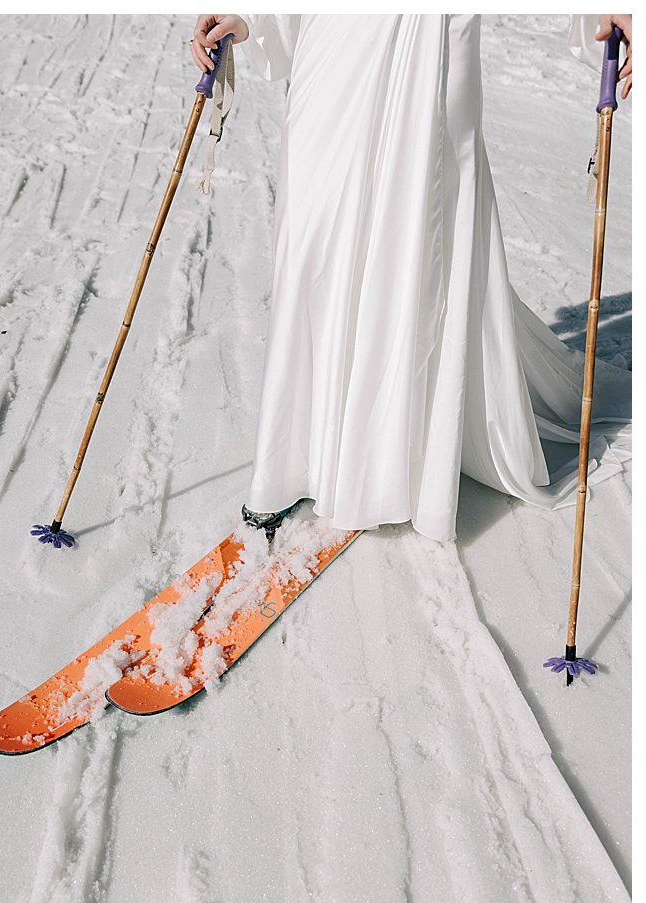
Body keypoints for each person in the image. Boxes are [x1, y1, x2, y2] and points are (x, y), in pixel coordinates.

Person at [188, 14, 633, 542]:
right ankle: (294, 459)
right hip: (332, 47)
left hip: (431, 40)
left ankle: (390, 462)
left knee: (416, 231)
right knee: (313, 236)